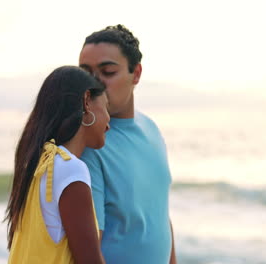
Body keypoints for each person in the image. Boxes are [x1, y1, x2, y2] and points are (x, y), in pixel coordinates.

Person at [79, 25, 177, 264]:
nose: (94, 83)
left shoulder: (151, 128)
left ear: (136, 74)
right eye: (85, 72)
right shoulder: (89, 144)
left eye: (108, 71)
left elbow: (160, 216)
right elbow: (88, 249)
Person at [5, 66, 110, 263]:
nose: (109, 120)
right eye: (106, 107)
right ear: (87, 102)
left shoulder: (38, 164)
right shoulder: (70, 169)